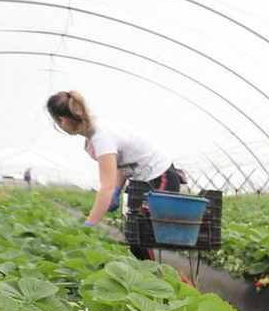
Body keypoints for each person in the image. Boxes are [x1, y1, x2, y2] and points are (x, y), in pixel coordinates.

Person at [45, 90, 182, 259]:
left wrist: (91, 223)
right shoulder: (93, 136)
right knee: (133, 231)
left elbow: (106, 186)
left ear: (62, 120)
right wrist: (117, 189)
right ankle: (143, 272)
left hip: (160, 176)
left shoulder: (102, 136)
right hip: (140, 179)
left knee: (140, 230)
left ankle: (149, 276)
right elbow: (120, 165)